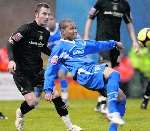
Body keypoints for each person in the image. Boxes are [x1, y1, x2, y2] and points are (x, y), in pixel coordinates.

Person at [7, 3, 82, 131]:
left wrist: (59, 56)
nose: (47, 17)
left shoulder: (45, 33)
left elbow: (42, 48)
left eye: (48, 14)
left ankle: (70, 127)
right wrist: (11, 60)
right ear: (36, 14)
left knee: (56, 96)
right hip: (22, 73)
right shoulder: (26, 28)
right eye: (44, 14)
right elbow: (10, 43)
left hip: (38, 72)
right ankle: (20, 113)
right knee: (32, 102)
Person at [44, 19, 126, 131]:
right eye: (71, 28)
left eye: (75, 28)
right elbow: (50, 69)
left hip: (91, 70)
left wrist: (114, 43)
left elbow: (97, 45)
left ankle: (113, 127)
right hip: (83, 73)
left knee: (121, 97)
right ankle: (112, 110)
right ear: (62, 31)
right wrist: (48, 89)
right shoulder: (59, 47)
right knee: (114, 74)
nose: (75, 31)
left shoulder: (79, 43)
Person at [84, 0, 139, 113]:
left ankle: (101, 101)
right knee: (107, 68)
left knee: (110, 72)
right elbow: (90, 18)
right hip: (102, 41)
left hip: (115, 44)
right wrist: (86, 36)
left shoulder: (124, 4)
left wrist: (134, 41)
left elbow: (129, 23)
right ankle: (106, 103)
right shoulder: (101, 2)